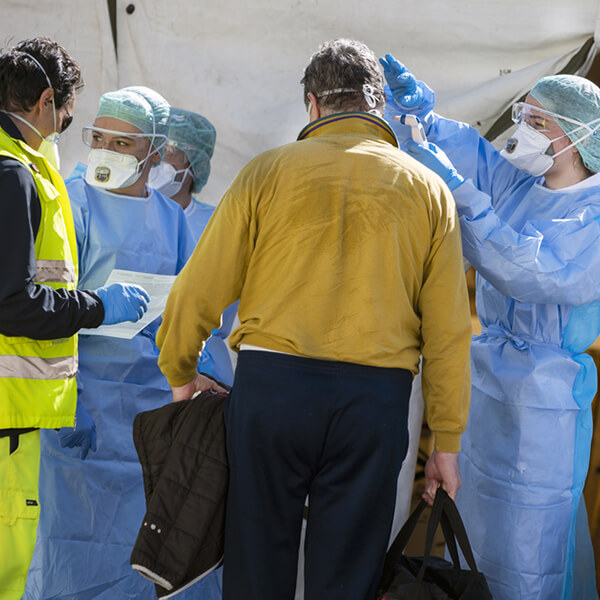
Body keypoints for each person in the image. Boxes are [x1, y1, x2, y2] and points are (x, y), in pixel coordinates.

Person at [155, 38, 472, 600]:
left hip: (272, 388)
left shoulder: (266, 172)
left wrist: (180, 371)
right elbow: (448, 333)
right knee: (348, 573)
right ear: (377, 105)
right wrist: (445, 440)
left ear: (313, 104)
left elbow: (197, 290)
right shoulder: (429, 190)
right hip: (374, 401)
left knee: (257, 563)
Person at [381, 53, 600, 599]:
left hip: (544, 405)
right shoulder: (523, 186)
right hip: (487, 386)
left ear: (577, 136)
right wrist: (421, 120)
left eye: (537, 122)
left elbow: (537, 272)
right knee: (473, 540)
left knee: (532, 552)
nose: (521, 131)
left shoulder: (593, 213)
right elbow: (474, 160)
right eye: (522, 115)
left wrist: (460, 193)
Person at [22, 86, 216, 600]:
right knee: (73, 547)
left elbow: (188, 315)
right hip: (81, 401)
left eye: (123, 143)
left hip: (149, 415)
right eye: (99, 137)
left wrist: (196, 368)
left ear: (154, 151)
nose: (106, 151)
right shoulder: (70, 201)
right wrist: (67, 401)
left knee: (140, 550)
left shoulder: (174, 221)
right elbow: (42, 305)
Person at [0, 38, 149, 600]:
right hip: (7, 414)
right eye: (67, 117)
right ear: (44, 102)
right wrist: (97, 306)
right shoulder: (15, 175)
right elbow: (13, 301)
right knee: (9, 567)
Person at [149, 107, 237, 387]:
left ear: (193, 163)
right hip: (136, 365)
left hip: (204, 365)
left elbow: (221, 305)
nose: (157, 158)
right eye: (155, 145)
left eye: (169, 150)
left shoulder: (219, 223)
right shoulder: (130, 215)